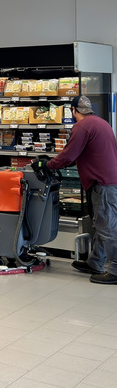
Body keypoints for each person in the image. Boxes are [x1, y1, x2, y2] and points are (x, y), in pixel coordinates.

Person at [45, 96, 117, 284]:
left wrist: (48, 165)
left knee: (107, 227)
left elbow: (68, 156)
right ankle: (95, 262)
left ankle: (115, 270)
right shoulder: (102, 123)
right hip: (108, 182)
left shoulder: (82, 127)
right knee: (102, 223)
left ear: (73, 110)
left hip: (102, 183)